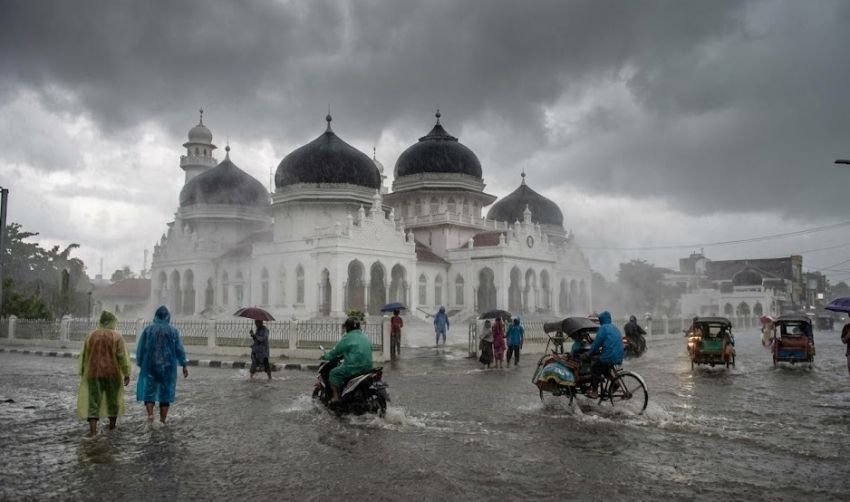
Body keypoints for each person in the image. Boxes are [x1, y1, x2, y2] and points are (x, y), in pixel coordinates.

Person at [76, 310, 131, 436]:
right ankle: (112, 428)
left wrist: (84, 372)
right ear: (112, 321)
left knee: (93, 402)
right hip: (112, 374)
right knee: (113, 401)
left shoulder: (91, 336)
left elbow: (85, 356)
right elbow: (121, 356)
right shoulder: (117, 337)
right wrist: (126, 373)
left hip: (93, 373)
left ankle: (93, 431)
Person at [136, 306, 188, 424]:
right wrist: (184, 364)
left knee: (149, 391)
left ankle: (150, 415)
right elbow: (179, 348)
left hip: (150, 366)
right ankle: (163, 420)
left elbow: (141, 348)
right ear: (167, 317)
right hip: (167, 368)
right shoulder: (173, 331)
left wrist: (140, 362)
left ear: (156, 316)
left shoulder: (148, 330)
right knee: (165, 393)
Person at [321, 318, 373, 403]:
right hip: (368, 368)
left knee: (333, 373)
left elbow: (336, 351)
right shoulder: (365, 336)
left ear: (348, 327)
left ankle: (336, 397)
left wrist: (325, 356)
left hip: (354, 368)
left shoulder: (348, 337)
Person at [580, 311, 624, 399]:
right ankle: (615, 383)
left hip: (609, 356)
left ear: (601, 320)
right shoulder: (614, 328)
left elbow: (596, 344)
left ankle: (594, 391)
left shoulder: (603, 328)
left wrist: (588, 354)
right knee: (604, 367)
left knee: (595, 368)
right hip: (619, 356)